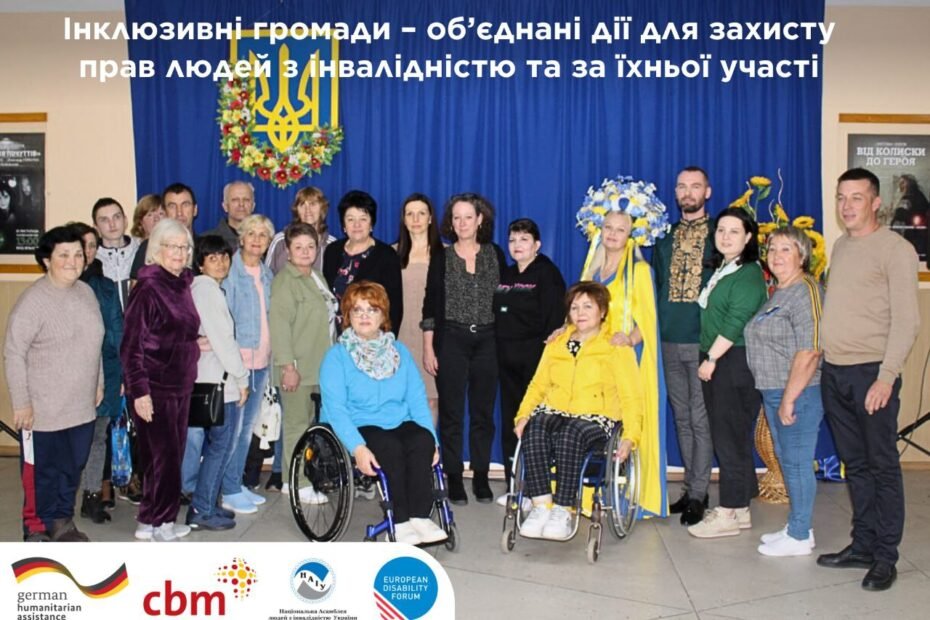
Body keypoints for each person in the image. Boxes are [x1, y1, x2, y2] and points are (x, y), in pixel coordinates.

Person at [816, 168, 920, 591]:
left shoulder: (896, 250)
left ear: (876, 202)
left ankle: (885, 556)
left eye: (856, 197)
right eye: (841, 197)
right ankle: (862, 544)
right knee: (855, 466)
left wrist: (886, 378)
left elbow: (907, 321)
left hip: (871, 374)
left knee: (882, 467)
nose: (846, 206)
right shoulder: (841, 245)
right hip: (835, 373)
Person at [320, 281, 447, 545]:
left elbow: (416, 400)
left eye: (372, 309)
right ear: (348, 316)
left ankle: (420, 517)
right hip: (359, 423)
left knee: (421, 439)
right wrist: (357, 448)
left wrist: (432, 440)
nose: (364, 316)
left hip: (398, 419)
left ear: (383, 316)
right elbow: (336, 410)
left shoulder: (399, 352)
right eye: (357, 310)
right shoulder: (337, 356)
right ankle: (399, 522)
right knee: (389, 446)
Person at [515, 281, 643, 540]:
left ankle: (563, 509)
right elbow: (538, 384)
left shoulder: (616, 346)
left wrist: (631, 437)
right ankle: (541, 506)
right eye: (575, 308)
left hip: (597, 417)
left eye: (588, 307)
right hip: (556, 410)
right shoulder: (556, 342)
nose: (580, 313)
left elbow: (631, 396)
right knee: (535, 428)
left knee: (570, 433)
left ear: (602, 311)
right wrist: (523, 415)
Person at [4, 226, 104, 541]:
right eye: (63, 255)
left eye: (78, 254)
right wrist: (22, 403)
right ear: (47, 260)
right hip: (43, 410)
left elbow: (95, 342)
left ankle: (61, 521)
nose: (73, 261)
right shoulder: (33, 301)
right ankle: (35, 529)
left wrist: (99, 382)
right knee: (41, 474)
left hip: (81, 406)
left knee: (71, 468)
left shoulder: (86, 293)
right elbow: (13, 353)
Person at [579, 209, 667, 519]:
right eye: (608, 227)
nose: (613, 234)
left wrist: (630, 338)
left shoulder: (640, 271)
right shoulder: (592, 269)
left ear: (631, 235)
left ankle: (632, 494)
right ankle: (587, 491)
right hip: (595, 360)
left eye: (620, 229)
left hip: (625, 358)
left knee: (628, 422)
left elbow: (649, 319)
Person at [688, 207, 767, 539]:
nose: (725, 236)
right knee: (732, 434)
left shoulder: (748, 274)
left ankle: (729, 511)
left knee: (727, 437)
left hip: (732, 361)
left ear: (748, 237)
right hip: (721, 358)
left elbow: (736, 322)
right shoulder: (724, 268)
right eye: (721, 230)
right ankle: (741, 508)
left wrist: (711, 359)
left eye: (734, 231)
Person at [422, 193, 506, 505]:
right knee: (452, 413)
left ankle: (481, 476)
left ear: (480, 220)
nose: (462, 223)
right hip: (452, 340)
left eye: (468, 217)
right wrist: (428, 347)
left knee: (483, 413)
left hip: (488, 341)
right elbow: (430, 303)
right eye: (456, 217)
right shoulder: (442, 257)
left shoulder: (495, 254)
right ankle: (454, 476)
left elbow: (505, 300)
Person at [745, 227, 824, 556]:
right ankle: (797, 526)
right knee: (788, 460)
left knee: (796, 462)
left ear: (802, 256)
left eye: (786, 249)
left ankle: (800, 535)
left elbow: (811, 350)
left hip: (798, 393)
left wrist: (790, 398)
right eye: (773, 249)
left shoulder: (806, 291)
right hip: (775, 391)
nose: (776, 256)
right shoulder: (781, 291)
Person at [120, 218, 200, 542]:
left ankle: (149, 519)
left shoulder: (181, 284)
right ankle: (163, 522)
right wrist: (140, 392)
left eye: (184, 247)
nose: (179, 253)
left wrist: (196, 344)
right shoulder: (149, 287)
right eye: (172, 246)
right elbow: (131, 346)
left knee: (163, 457)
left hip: (180, 385)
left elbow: (176, 332)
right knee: (165, 458)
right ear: (157, 249)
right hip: (155, 387)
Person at [651, 166, 716, 525]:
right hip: (669, 339)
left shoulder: (719, 234)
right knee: (682, 418)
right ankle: (690, 488)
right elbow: (659, 284)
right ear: (675, 193)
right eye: (681, 186)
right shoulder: (664, 239)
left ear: (707, 192)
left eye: (695, 186)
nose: (688, 192)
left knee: (700, 418)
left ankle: (699, 493)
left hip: (702, 341)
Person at [493, 218, 566, 502]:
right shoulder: (507, 273)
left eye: (524, 240)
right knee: (512, 422)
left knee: (534, 425)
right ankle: (515, 487)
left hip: (535, 362)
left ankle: (538, 490)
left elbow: (554, 323)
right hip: (507, 360)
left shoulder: (547, 273)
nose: (517, 245)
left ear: (537, 244)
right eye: (512, 240)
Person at [182, 235, 250, 532]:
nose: (220, 262)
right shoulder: (207, 290)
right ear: (200, 264)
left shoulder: (207, 289)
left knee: (216, 446)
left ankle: (206, 502)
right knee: (220, 446)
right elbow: (223, 341)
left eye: (224, 257)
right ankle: (202, 508)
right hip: (219, 382)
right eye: (212, 258)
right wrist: (242, 378)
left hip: (212, 378)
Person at [270, 222, 338, 499]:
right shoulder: (284, 282)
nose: (305, 251)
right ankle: (296, 482)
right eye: (298, 247)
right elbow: (279, 327)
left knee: (309, 426)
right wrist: (288, 367)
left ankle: (302, 478)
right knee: (296, 426)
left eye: (310, 246)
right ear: (287, 251)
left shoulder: (317, 276)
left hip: (318, 365)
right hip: (297, 368)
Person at [219, 214, 275, 513]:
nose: (256, 239)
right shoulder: (230, 272)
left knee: (247, 429)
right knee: (234, 429)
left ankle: (236, 482)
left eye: (262, 235)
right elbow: (223, 320)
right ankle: (228, 489)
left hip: (261, 362)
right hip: (238, 364)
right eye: (251, 233)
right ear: (241, 238)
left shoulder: (267, 274)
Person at [71, 222, 123, 525]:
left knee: (99, 437)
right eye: (83, 245)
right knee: (70, 440)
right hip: (70, 374)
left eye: (92, 246)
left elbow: (117, 331)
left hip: (107, 369)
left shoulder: (105, 286)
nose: (88, 252)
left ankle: (92, 497)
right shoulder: (62, 285)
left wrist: (123, 373)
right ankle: (62, 499)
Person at [322, 190, 403, 335]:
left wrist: (386, 340)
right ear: (344, 225)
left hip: (371, 337)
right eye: (350, 219)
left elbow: (395, 306)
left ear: (371, 224)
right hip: (334, 335)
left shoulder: (386, 255)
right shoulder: (332, 251)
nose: (356, 225)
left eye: (363, 219)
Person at [393, 193, 444, 425]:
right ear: (403, 219)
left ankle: (428, 447)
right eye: (410, 214)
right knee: (401, 398)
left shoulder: (446, 254)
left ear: (430, 218)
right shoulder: (391, 253)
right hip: (400, 336)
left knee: (431, 400)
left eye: (421, 213)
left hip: (433, 337)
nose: (416, 219)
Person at [131, 183, 199, 280]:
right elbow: (136, 287)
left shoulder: (205, 247)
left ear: (195, 210)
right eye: (172, 206)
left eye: (185, 205)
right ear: (165, 212)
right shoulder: (149, 247)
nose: (179, 212)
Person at [267, 186, 336, 274]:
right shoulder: (280, 240)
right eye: (302, 205)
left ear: (322, 208)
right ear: (296, 210)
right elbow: (266, 276)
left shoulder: (332, 245)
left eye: (312, 204)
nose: (308, 210)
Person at [93, 197, 140, 310]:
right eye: (104, 220)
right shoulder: (91, 258)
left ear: (125, 221)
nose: (112, 224)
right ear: (96, 227)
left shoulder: (141, 250)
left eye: (117, 217)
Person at [205, 180, 256, 252]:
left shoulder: (264, 242)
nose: (241, 204)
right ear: (225, 206)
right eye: (235, 200)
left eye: (246, 200)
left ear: (253, 206)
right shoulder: (206, 241)